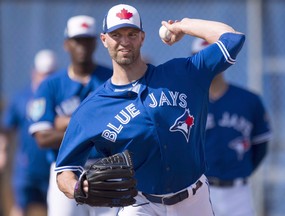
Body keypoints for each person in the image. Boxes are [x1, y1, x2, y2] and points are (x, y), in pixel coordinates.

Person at [55, 4, 245, 216]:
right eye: (116, 34)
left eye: (131, 34)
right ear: (104, 39)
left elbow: (232, 39)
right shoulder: (91, 109)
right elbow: (64, 170)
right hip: (139, 204)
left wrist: (184, 26)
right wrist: (78, 189)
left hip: (193, 200)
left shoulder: (182, 74)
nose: (124, 41)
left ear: (142, 38)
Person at [28, 15, 117, 216]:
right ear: (67, 44)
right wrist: (95, 128)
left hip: (106, 168)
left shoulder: (112, 79)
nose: (82, 46)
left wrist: (65, 124)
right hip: (65, 168)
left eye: (87, 40)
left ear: (96, 42)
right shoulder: (50, 85)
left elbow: (123, 127)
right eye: (77, 40)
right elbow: (42, 138)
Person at [191, 38, 272, 216]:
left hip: (238, 191)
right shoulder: (187, 102)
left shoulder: (248, 99)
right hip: (198, 191)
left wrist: (241, 169)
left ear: (225, 59)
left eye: (214, 57)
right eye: (202, 57)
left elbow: (261, 145)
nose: (209, 63)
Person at [1, 49, 57, 216]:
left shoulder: (59, 98)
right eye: (42, 74)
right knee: (19, 207)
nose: (45, 79)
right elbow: (6, 128)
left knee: (54, 208)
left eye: (50, 74)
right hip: (26, 167)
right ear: (34, 72)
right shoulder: (21, 98)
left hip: (51, 166)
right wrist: (2, 151)